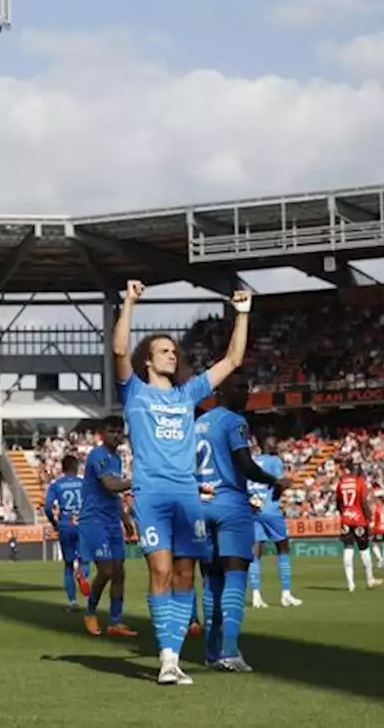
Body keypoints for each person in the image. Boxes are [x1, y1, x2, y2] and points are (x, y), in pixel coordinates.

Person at [112, 278, 252, 685]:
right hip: (151, 494)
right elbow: (120, 348)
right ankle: (167, 658)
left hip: (187, 495)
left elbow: (233, 360)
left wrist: (242, 314)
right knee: (160, 572)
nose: (172, 355)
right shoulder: (135, 392)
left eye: (174, 351)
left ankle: (173, 654)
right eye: (163, 351)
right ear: (148, 361)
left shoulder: (187, 394)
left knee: (185, 575)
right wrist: (130, 302)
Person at [196, 383, 292, 672]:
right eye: (242, 389)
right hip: (230, 505)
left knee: (211, 580)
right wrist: (273, 480)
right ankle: (229, 651)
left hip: (202, 504)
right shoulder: (235, 421)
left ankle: (211, 652)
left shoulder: (199, 423)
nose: (246, 394)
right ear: (226, 393)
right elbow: (245, 464)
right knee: (235, 576)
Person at [79, 415, 138, 637]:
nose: (116, 435)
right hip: (94, 520)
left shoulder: (117, 459)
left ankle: (115, 621)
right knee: (106, 570)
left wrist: (124, 518)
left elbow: (113, 495)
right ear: (103, 433)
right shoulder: (98, 456)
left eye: (119, 431)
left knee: (119, 571)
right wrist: (137, 480)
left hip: (111, 521)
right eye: (111, 431)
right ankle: (90, 612)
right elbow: (110, 486)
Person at [248, 448, 301, 609]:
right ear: (271, 447)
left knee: (256, 551)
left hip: (252, 508)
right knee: (283, 547)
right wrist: (287, 483)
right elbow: (278, 485)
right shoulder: (274, 461)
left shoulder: (251, 460)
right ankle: (286, 593)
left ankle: (256, 595)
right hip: (270, 509)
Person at [44, 455, 91, 609]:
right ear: (76, 467)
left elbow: (47, 507)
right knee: (85, 560)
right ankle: (82, 574)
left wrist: (54, 523)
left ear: (63, 468)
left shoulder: (56, 484)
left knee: (68, 565)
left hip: (65, 524)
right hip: (83, 524)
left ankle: (72, 601)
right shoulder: (84, 483)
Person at [336, 462, 381, 592]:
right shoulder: (360, 482)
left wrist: (344, 514)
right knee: (364, 550)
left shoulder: (341, 483)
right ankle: (370, 579)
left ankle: (350, 584)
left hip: (346, 519)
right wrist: (369, 518)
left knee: (348, 549)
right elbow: (363, 500)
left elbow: (338, 502)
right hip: (359, 519)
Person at [370, 492, 384, 570]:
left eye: (377, 501)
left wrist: (372, 529)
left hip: (378, 529)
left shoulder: (377, 510)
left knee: (374, 545)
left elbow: (375, 521)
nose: (376, 502)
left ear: (380, 501)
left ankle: (380, 559)